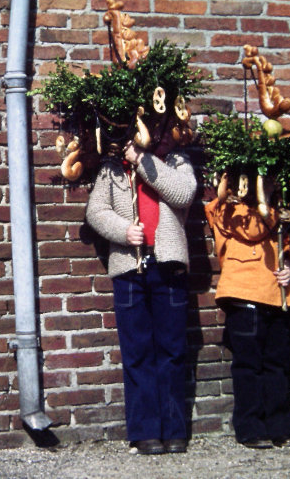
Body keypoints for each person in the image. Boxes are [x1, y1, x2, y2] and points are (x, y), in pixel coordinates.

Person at [85, 128, 197, 455]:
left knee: (172, 349)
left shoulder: (177, 161)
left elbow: (183, 193)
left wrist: (143, 160)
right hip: (129, 267)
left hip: (168, 265)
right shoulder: (111, 168)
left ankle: (174, 430)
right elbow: (95, 211)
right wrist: (123, 230)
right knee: (138, 352)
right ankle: (146, 431)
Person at [204, 188, 290, 450]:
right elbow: (253, 229)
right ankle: (250, 428)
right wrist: (273, 212)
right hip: (245, 295)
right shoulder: (226, 207)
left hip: (276, 294)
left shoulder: (276, 206)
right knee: (248, 365)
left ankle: (279, 427)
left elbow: (287, 242)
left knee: (277, 365)